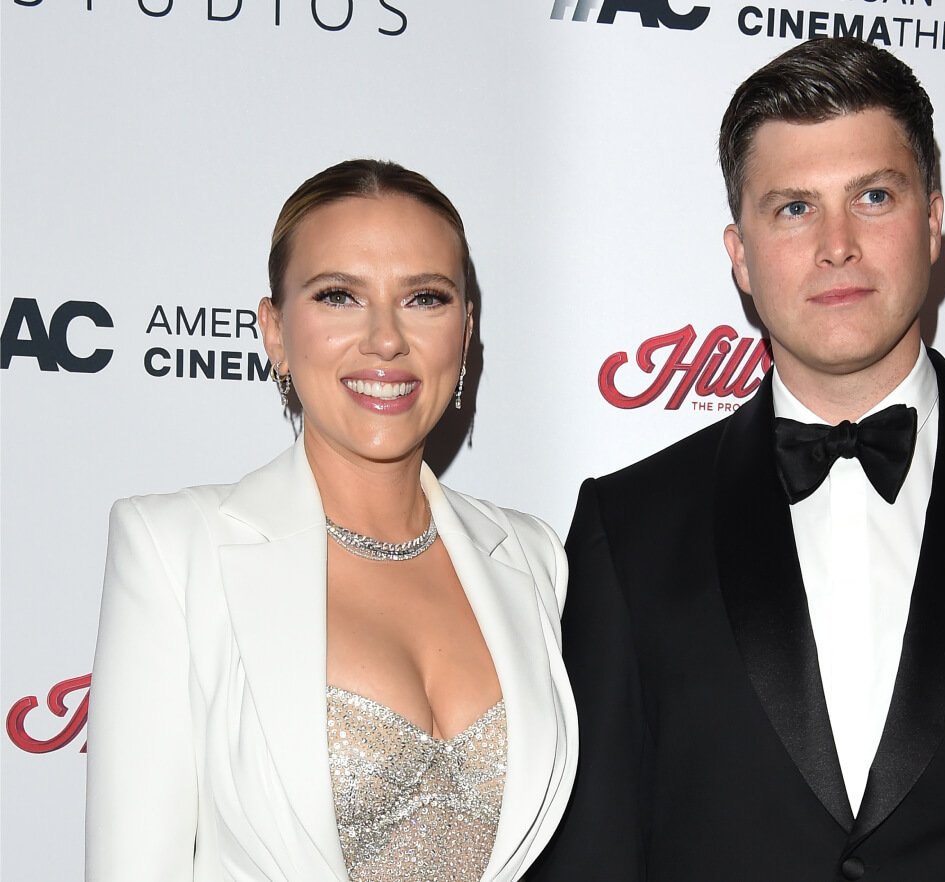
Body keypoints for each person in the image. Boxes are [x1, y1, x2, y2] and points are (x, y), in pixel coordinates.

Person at [528, 38, 945, 881]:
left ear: (932, 220)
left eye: (874, 196)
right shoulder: (629, 529)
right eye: (793, 208)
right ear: (740, 256)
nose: (837, 244)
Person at [85, 159, 577, 882]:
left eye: (425, 298)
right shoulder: (175, 550)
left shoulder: (533, 557)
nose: (385, 339)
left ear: (466, 331)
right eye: (340, 295)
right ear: (276, 331)